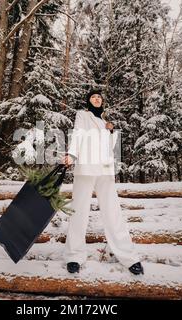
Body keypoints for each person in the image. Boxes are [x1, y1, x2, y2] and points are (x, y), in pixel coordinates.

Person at [62, 89, 144, 275]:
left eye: (99, 97)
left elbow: (109, 149)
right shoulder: (83, 115)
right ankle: (74, 256)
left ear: (102, 102)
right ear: (88, 101)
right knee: (79, 211)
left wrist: (111, 131)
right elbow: (78, 134)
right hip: (86, 167)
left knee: (113, 211)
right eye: (93, 97)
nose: (97, 99)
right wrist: (72, 154)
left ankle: (128, 256)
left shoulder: (104, 122)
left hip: (105, 170)